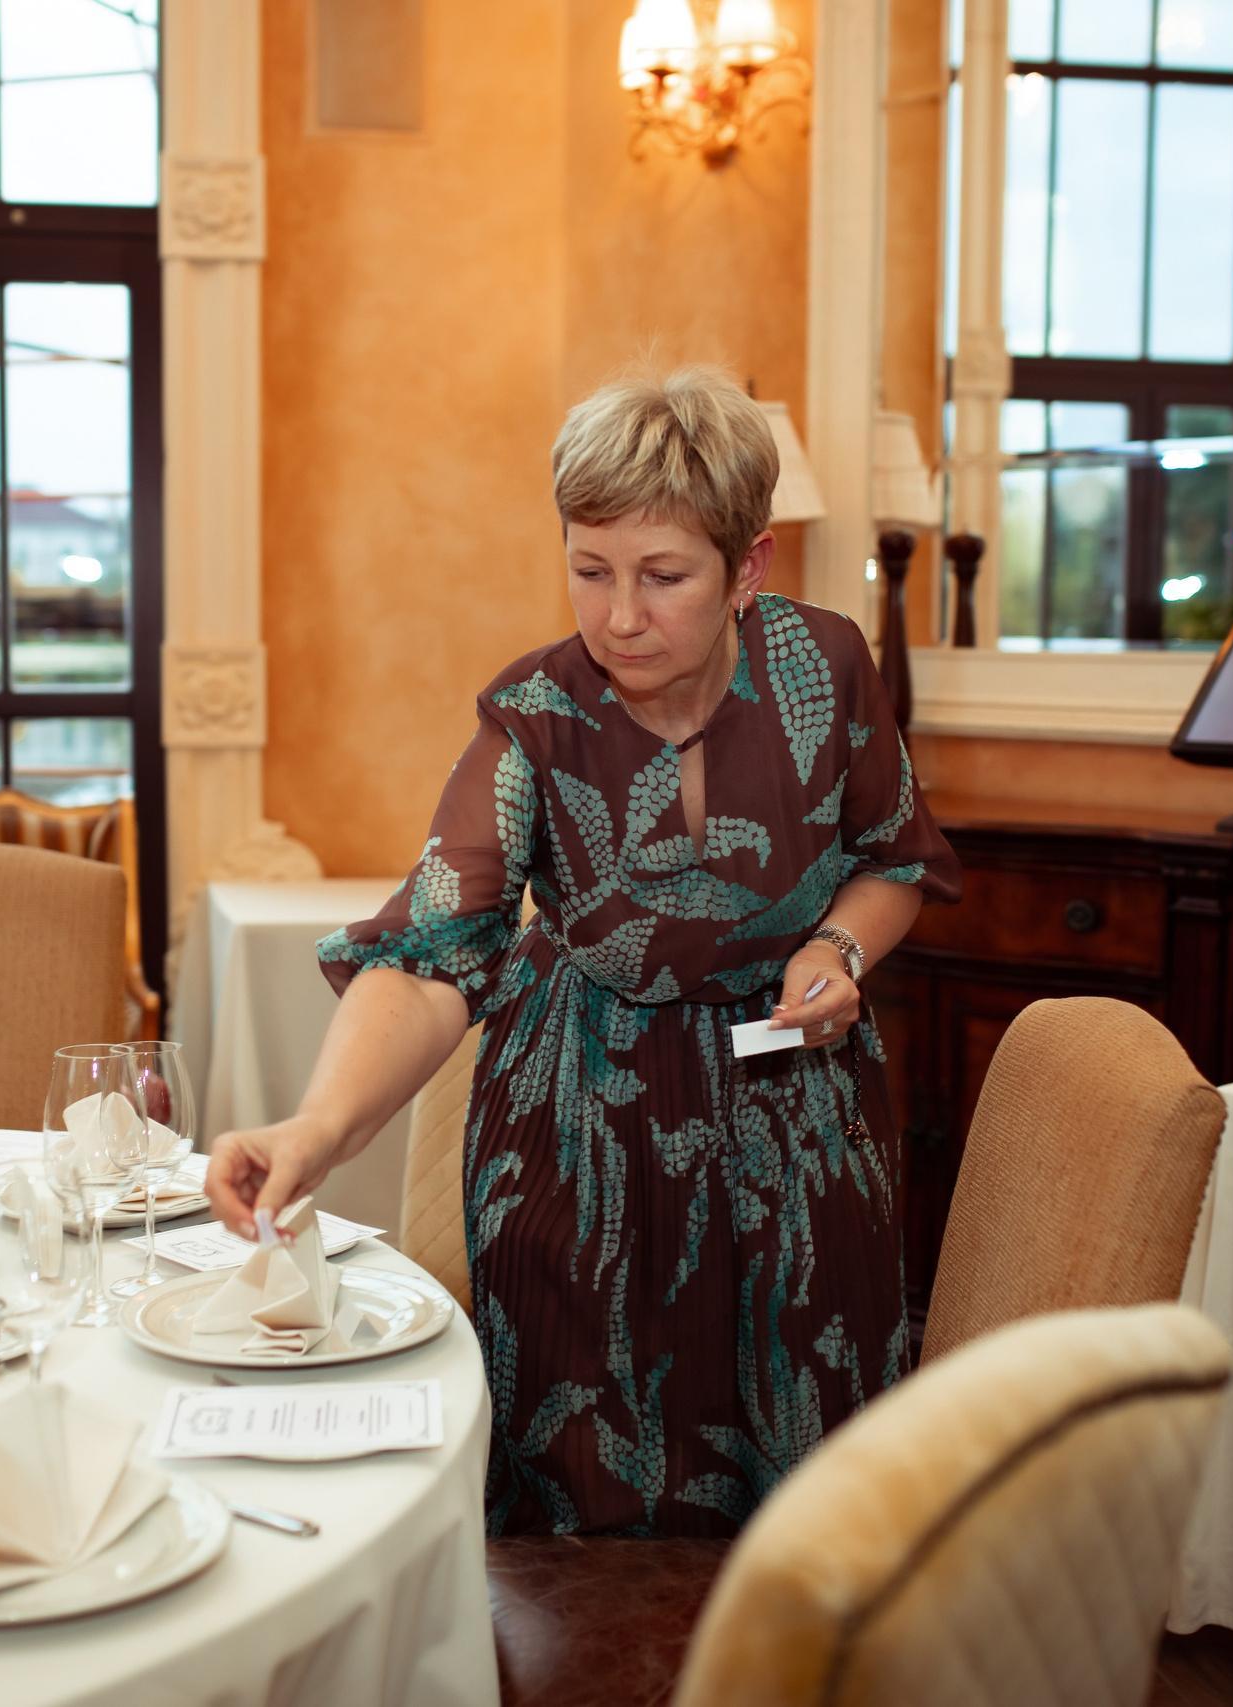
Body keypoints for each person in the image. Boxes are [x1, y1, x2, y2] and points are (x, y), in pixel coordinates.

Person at [204, 367, 960, 1536]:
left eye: (663, 577)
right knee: (584, 1508)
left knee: (815, 1508)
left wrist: (839, 948)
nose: (618, 616)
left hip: (799, 1131)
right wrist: (316, 1126)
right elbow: (428, 952)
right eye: (589, 568)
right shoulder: (535, 717)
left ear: (748, 567)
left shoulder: (830, 666)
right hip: (582, 1149)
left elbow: (893, 859)